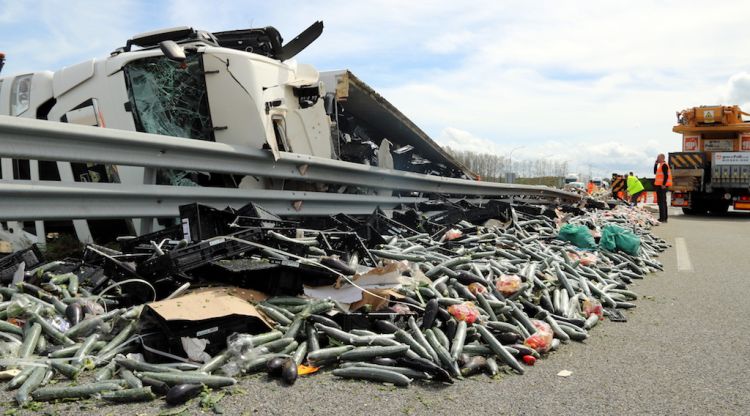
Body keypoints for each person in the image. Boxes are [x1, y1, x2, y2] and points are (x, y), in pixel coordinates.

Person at [654, 153, 672, 222]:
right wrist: (655, 164)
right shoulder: (660, 165)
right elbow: (655, 172)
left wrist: (664, 184)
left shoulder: (664, 165)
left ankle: (663, 218)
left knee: (662, 202)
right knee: (661, 202)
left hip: (662, 186)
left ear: (662, 158)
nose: (657, 159)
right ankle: (663, 217)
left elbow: (666, 175)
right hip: (660, 186)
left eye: (658, 157)